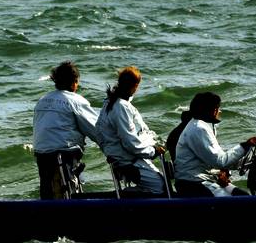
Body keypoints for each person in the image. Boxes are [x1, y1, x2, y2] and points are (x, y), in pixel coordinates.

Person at [33, 61, 101, 199]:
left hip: (42, 154)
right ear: (74, 82)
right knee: (69, 190)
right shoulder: (76, 101)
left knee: (47, 192)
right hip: (64, 154)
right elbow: (97, 131)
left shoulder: (42, 100)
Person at [96, 66, 167, 196]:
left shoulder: (109, 102)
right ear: (135, 86)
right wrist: (153, 151)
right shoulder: (121, 107)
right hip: (127, 161)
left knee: (159, 182)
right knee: (161, 186)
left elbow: (99, 132)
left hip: (119, 157)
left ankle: (126, 196)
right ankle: (125, 197)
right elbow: (130, 143)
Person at [174, 92, 256, 197]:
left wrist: (243, 162)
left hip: (200, 180)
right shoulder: (199, 129)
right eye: (218, 108)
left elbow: (215, 159)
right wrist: (244, 146)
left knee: (243, 196)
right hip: (193, 184)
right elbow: (220, 161)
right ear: (213, 111)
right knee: (241, 202)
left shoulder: (201, 125)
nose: (219, 111)